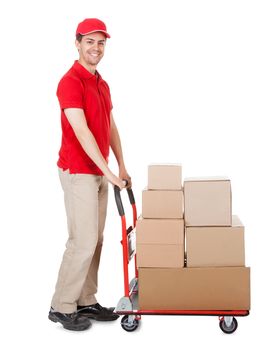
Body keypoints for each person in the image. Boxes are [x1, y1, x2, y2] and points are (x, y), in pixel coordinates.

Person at [49, 18, 132, 331]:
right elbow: (81, 131)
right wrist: (108, 171)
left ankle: (86, 299)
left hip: (99, 172)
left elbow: (109, 125)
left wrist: (121, 164)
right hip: (78, 171)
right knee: (81, 240)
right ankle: (61, 305)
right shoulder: (70, 81)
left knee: (95, 240)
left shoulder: (101, 82)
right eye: (90, 42)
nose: (96, 48)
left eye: (101, 43)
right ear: (77, 43)